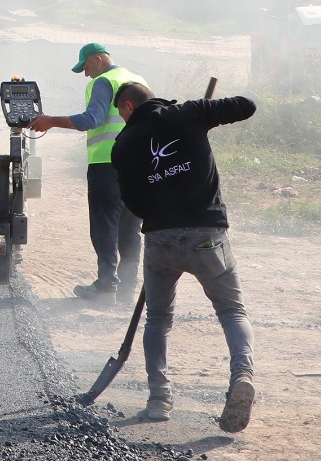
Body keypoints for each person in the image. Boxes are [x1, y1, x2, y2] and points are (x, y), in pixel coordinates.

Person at [111, 81, 256, 432]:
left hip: (161, 240)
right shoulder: (190, 113)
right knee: (231, 310)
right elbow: (247, 105)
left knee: (158, 318)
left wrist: (160, 210)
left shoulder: (123, 145)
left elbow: (132, 203)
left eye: (120, 113)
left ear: (128, 107)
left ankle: (159, 399)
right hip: (208, 237)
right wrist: (207, 113)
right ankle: (242, 375)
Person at [29, 41, 147, 300]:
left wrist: (50, 121)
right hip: (139, 166)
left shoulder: (103, 82)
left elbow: (91, 120)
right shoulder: (137, 80)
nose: (85, 73)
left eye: (85, 66)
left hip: (107, 165)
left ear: (97, 59)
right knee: (130, 228)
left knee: (105, 227)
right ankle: (127, 291)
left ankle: (106, 287)